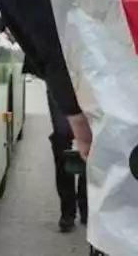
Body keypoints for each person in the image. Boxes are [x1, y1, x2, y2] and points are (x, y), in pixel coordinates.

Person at [47, 86, 87, 233]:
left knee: (92, 141)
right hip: (59, 79)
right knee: (61, 138)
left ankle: (86, 204)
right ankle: (67, 210)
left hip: (92, 81)